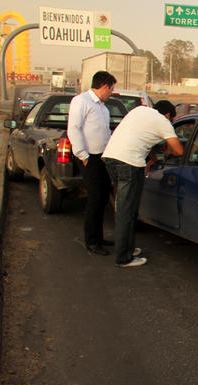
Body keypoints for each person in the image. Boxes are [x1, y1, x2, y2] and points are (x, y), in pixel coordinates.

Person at [102, 100, 183, 267]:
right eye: (172, 120)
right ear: (168, 115)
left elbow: (143, 137)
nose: (171, 123)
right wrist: (169, 143)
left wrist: (153, 158)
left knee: (127, 208)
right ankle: (124, 257)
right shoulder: (163, 122)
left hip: (110, 158)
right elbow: (179, 151)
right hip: (129, 163)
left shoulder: (140, 110)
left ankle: (127, 248)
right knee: (127, 210)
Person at [67, 70, 117, 256]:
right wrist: (83, 155)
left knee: (103, 197)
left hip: (102, 157)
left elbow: (105, 133)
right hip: (89, 158)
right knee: (95, 198)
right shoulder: (82, 101)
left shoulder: (103, 108)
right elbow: (74, 128)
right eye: (111, 89)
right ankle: (92, 241)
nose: (111, 93)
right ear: (105, 86)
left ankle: (99, 236)